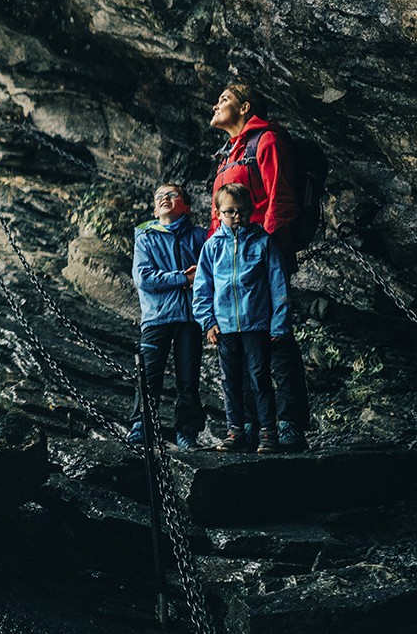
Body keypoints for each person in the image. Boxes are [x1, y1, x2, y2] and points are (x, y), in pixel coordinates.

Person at [208, 80, 309, 451]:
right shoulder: (227, 155)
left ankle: (288, 425)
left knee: (276, 341)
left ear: (246, 107)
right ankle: (250, 427)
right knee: (239, 346)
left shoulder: (265, 141)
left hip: (264, 258)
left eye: (225, 99)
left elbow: (281, 201)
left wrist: (258, 249)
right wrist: (212, 256)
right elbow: (217, 218)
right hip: (228, 264)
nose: (216, 105)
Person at [193, 183, 291, 454]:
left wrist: (279, 323)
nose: (237, 217)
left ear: (251, 210)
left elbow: (277, 284)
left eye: (242, 211)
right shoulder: (212, 247)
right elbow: (203, 287)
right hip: (224, 327)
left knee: (260, 377)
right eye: (230, 212)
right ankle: (235, 431)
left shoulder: (263, 242)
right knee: (231, 379)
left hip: (256, 324)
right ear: (218, 212)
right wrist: (208, 321)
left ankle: (267, 431)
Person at [129, 183, 205, 449]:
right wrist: (182, 277)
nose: (164, 199)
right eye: (159, 196)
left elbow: (207, 273)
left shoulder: (199, 236)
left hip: (190, 317)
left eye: (172, 195)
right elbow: (144, 278)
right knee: (150, 374)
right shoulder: (145, 236)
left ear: (186, 205)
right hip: (157, 316)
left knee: (188, 377)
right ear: (154, 207)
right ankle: (142, 425)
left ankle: (186, 431)